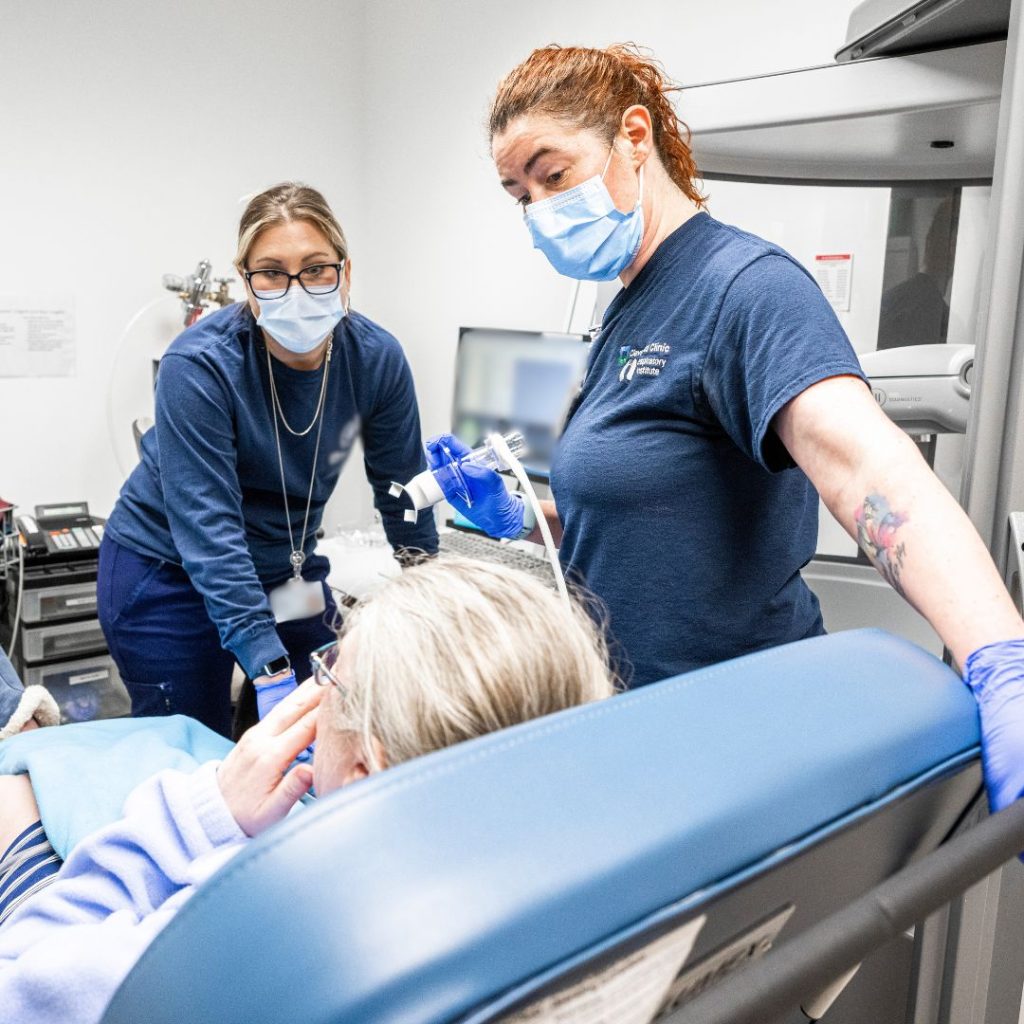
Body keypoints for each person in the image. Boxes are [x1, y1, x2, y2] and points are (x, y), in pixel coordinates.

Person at [426, 43, 1024, 815]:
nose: (539, 209)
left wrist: (998, 652)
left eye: (553, 174)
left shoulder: (745, 287)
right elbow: (645, 516)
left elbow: (866, 469)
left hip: (737, 736)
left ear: (633, 137)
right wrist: (521, 517)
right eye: (519, 194)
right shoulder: (627, 312)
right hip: (635, 720)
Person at [0, 558, 616, 1023]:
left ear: (365, 773)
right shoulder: (583, 921)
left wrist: (200, 816)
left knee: (13, 788)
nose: (318, 688)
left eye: (330, 677)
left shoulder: (231, 936)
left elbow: (21, 979)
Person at [98, 182, 437, 738]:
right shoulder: (200, 365)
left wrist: (432, 594)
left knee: (332, 720)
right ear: (246, 281)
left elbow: (402, 486)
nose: (296, 289)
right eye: (272, 273)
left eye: (316, 269)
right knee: (198, 749)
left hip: (286, 572)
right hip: (168, 575)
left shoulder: (376, 358)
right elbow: (208, 528)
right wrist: (267, 662)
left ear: (346, 273)